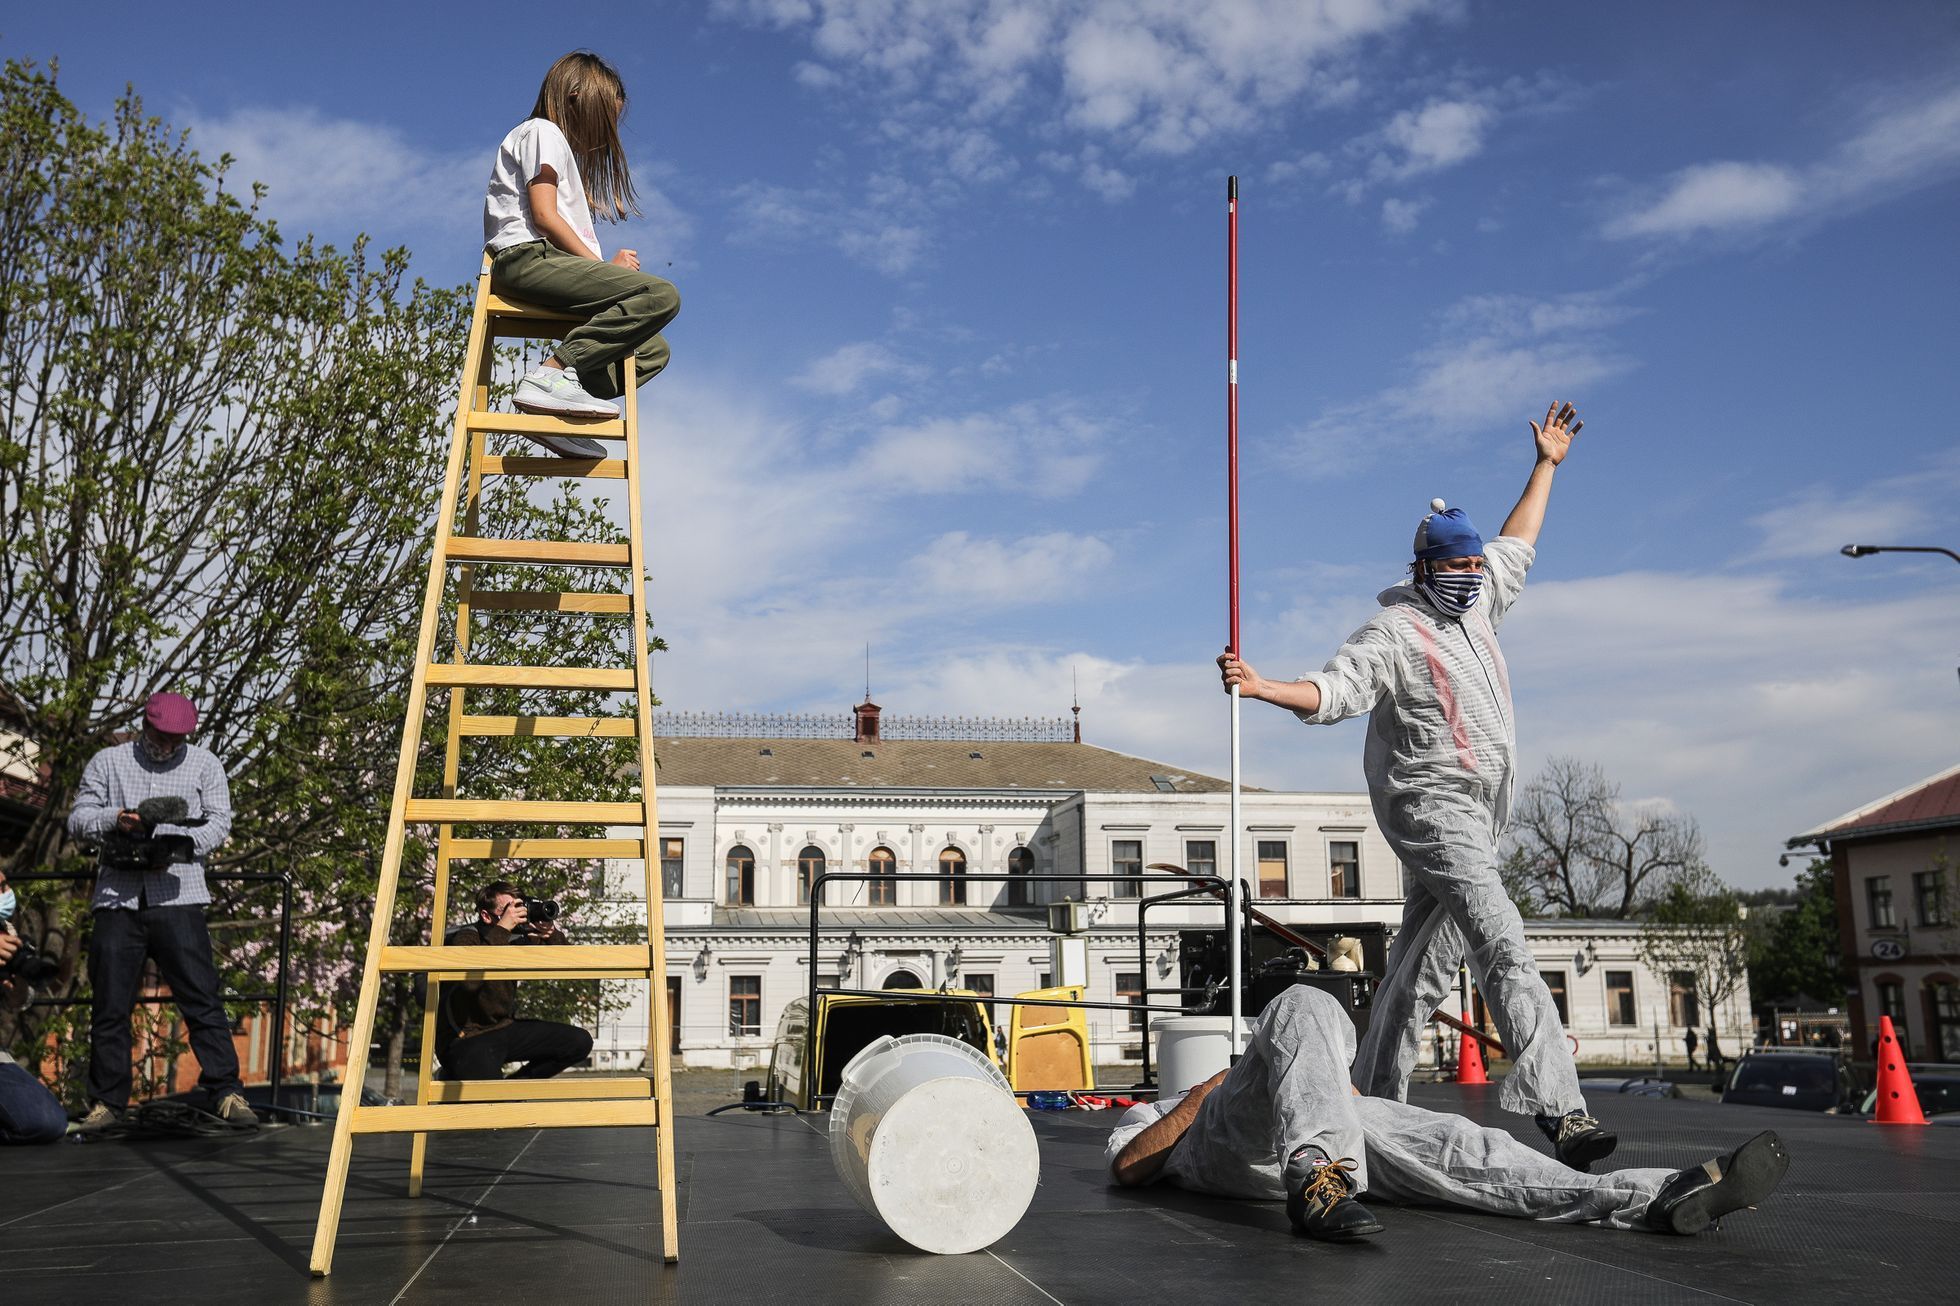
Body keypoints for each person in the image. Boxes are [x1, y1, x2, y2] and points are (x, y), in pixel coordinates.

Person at [1218, 402, 1610, 1169]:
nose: (1467, 578)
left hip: (1481, 812)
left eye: (1472, 567)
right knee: (1501, 931)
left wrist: (1547, 465)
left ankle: (1373, 1102)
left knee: (1418, 970)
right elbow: (1335, 691)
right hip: (1429, 807)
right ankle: (1562, 1106)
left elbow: (1517, 541)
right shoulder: (1397, 632)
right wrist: (1265, 688)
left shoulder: (1482, 602)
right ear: (1421, 570)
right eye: (1453, 568)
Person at [1107, 985, 1791, 1242]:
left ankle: (1655, 1197)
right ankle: (1316, 1173)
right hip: (1228, 1142)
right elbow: (1132, 1168)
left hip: (1333, 1133)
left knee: (1466, 1148)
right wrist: (1201, 1094)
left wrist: (1324, 1089)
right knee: (1303, 1002)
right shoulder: (1164, 1108)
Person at [65, 693, 255, 1133]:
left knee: (202, 997)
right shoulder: (107, 761)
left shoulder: (205, 765)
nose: (168, 746)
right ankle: (107, 1104)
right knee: (110, 1004)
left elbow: (220, 821)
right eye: (162, 737)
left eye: (177, 739)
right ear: (145, 726)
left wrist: (174, 841)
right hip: (119, 897)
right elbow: (78, 819)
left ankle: (226, 1091)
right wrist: (117, 819)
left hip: (179, 896)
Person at [483, 49, 681, 456]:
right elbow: (543, 215)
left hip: (543, 262)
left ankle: (553, 411)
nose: (604, 133)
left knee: (652, 350)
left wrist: (606, 270)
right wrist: (605, 272)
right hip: (524, 258)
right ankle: (552, 374)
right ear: (576, 97)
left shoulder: (555, 146)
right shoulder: (542, 131)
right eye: (603, 117)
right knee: (660, 295)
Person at [436, 881, 592, 1081]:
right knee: (489, 1103)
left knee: (579, 1042)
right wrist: (502, 930)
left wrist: (551, 935)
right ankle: (458, 1079)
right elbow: (469, 983)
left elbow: (569, 962)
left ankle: (517, 1088)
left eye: (517, 907)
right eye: (508, 910)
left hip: (503, 1027)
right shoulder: (466, 937)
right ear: (486, 915)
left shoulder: (515, 937)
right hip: (467, 1037)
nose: (515, 914)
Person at [0, 872, 68, 1143]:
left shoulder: (8, 931)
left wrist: (16, 984)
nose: (4, 894)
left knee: (49, 1122)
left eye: (3, 885)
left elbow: (19, 1003)